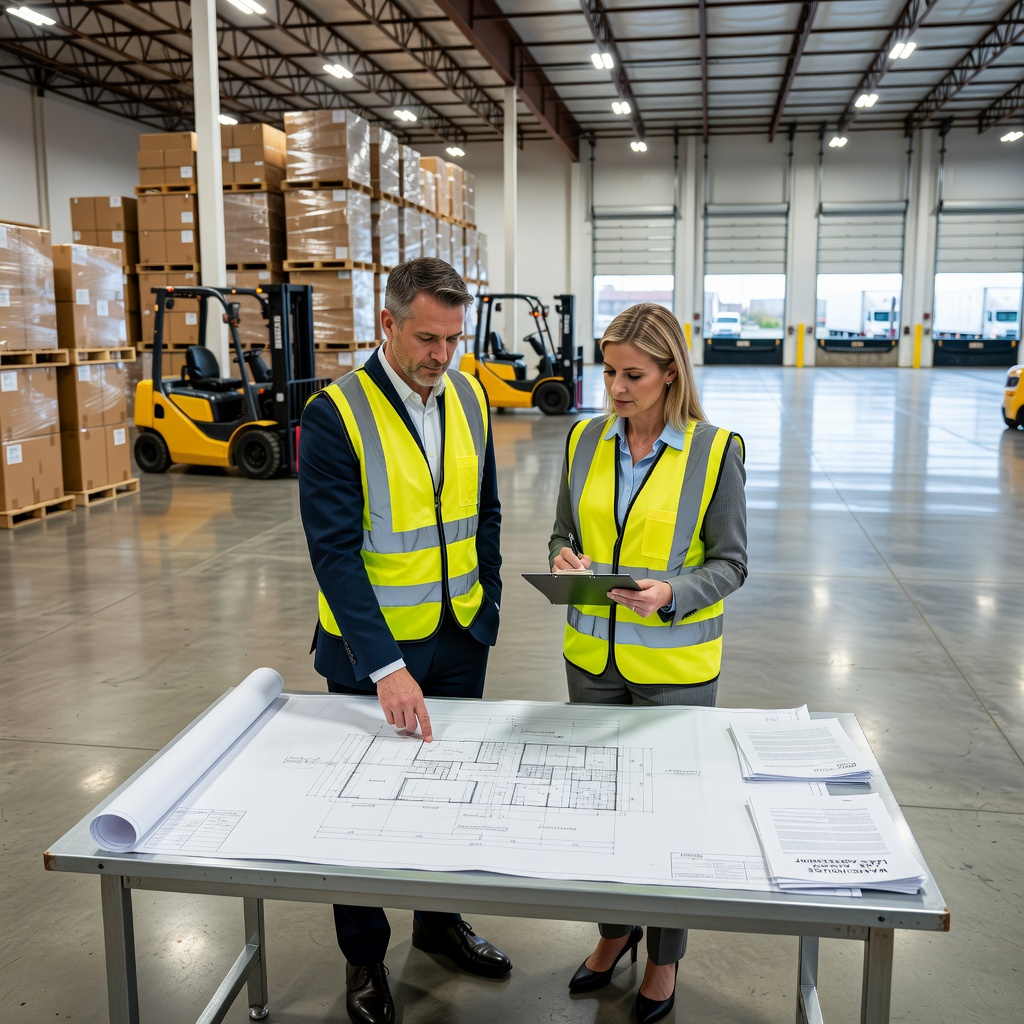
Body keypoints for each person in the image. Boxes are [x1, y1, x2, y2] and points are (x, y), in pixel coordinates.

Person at [298, 257, 510, 1024]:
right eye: (427, 337)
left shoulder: (470, 394)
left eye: (453, 337)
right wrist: (383, 664)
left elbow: (484, 509)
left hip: (460, 633)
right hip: (375, 654)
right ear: (386, 323)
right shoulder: (336, 414)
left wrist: (482, 598)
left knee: (451, 794)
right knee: (363, 812)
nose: (441, 355)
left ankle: (439, 922)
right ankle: (364, 961)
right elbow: (334, 553)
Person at [548, 302, 747, 1024]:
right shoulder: (583, 441)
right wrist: (564, 561)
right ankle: (612, 934)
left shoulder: (716, 452)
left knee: (669, 820)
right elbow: (561, 534)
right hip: (591, 664)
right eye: (609, 372)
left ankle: (662, 960)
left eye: (633, 375)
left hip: (674, 674)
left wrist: (672, 594)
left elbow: (731, 564)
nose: (617, 388)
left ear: (670, 374)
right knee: (601, 813)